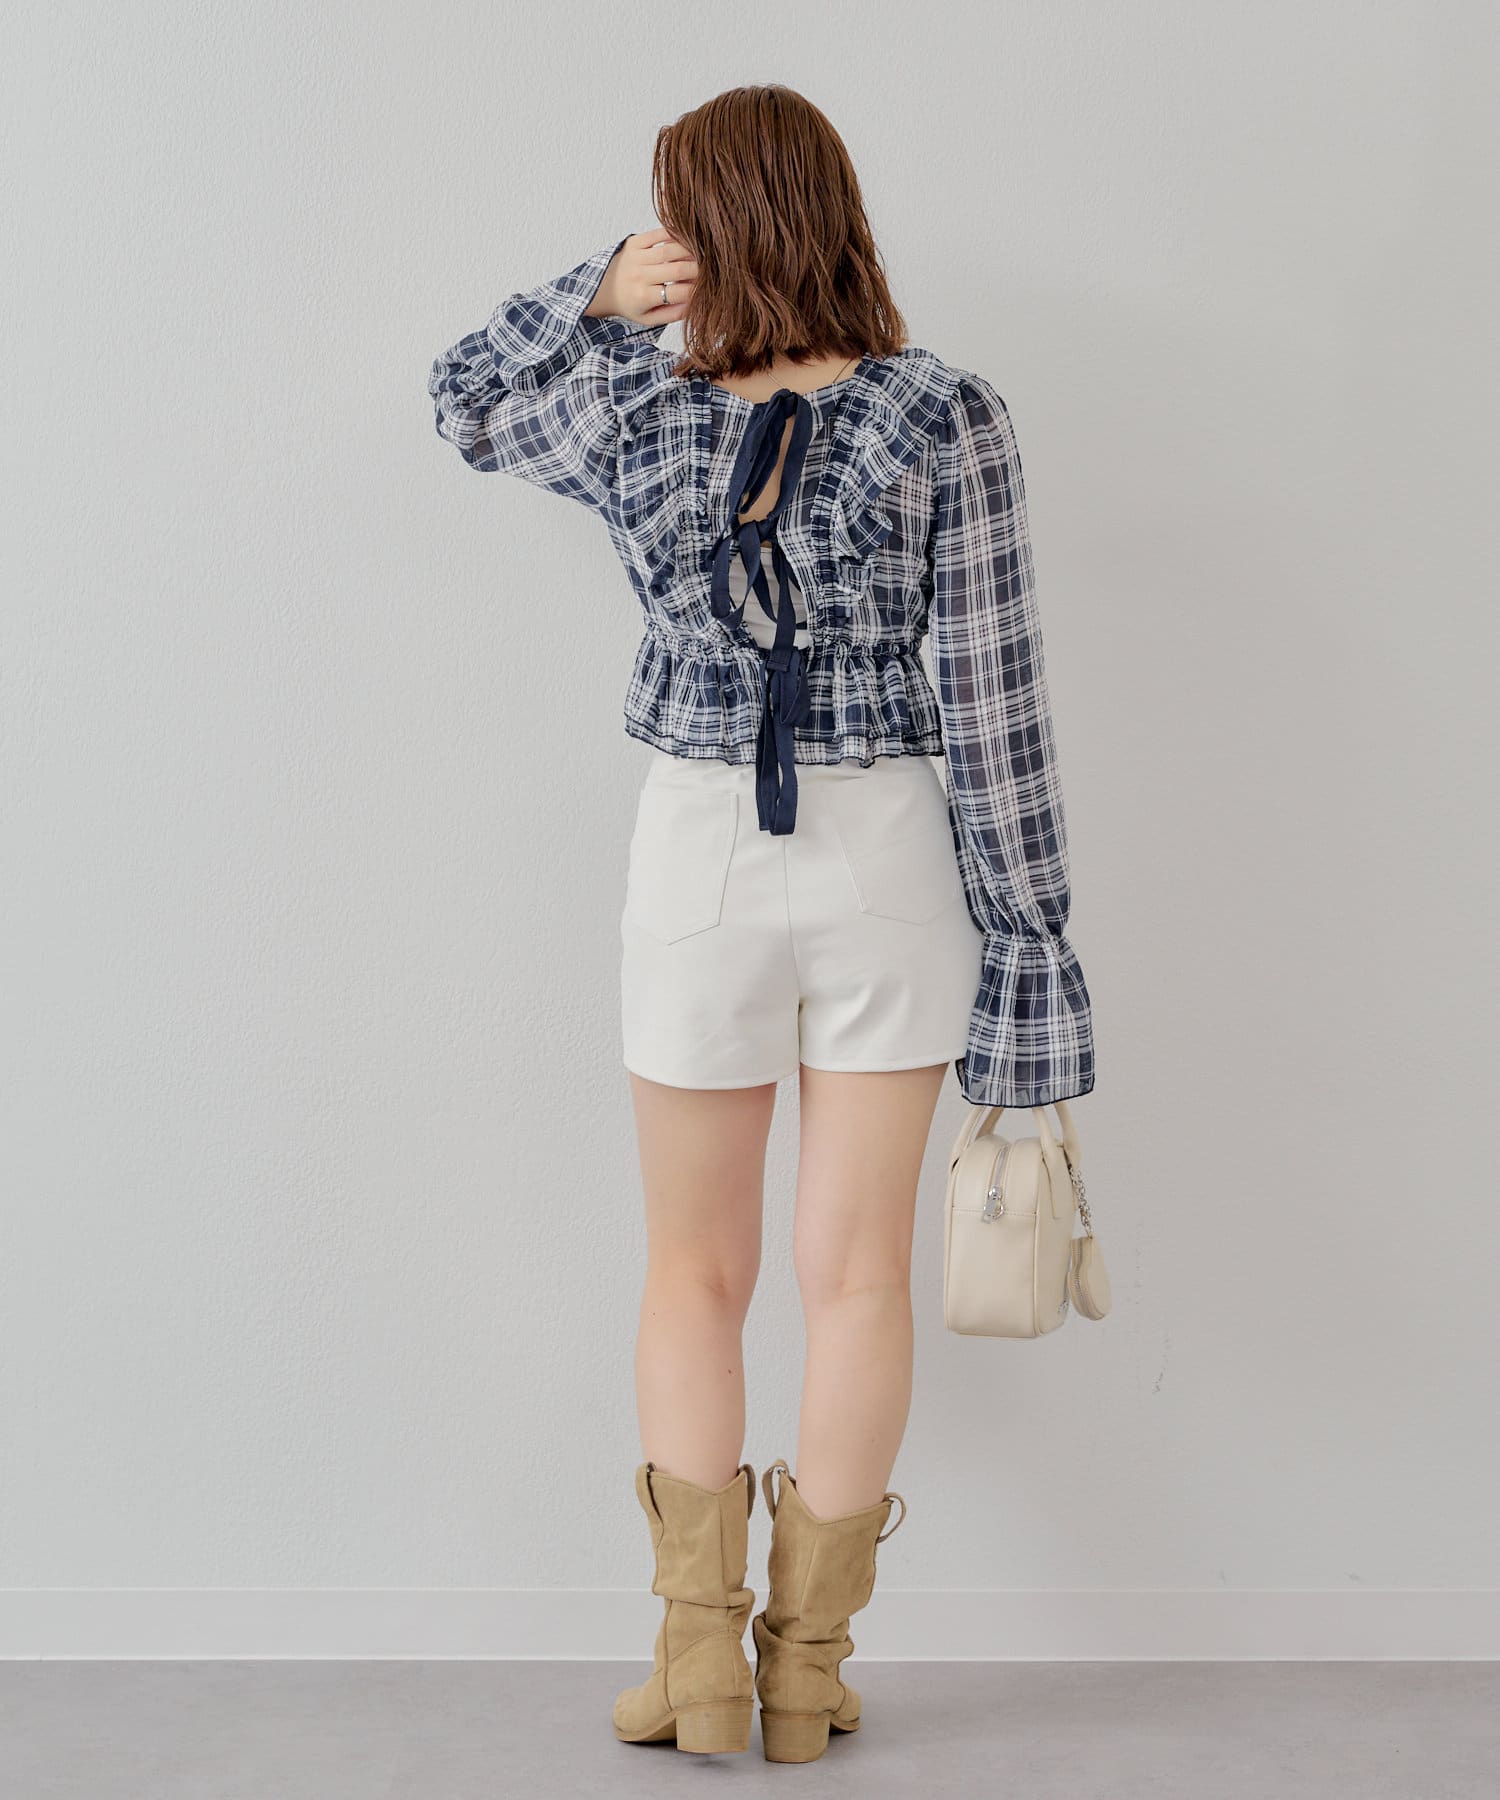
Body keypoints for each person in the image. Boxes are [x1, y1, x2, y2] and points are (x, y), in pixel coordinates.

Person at [429, 82, 1095, 1765]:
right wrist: (1033, 948)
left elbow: (462, 399)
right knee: (855, 1274)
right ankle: (802, 1675)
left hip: (699, 855)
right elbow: (997, 705)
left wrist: (590, 291)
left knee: (694, 1267)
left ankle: (697, 1664)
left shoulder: (635, 410)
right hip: (891, 857)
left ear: (704, 227)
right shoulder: (947, 415)